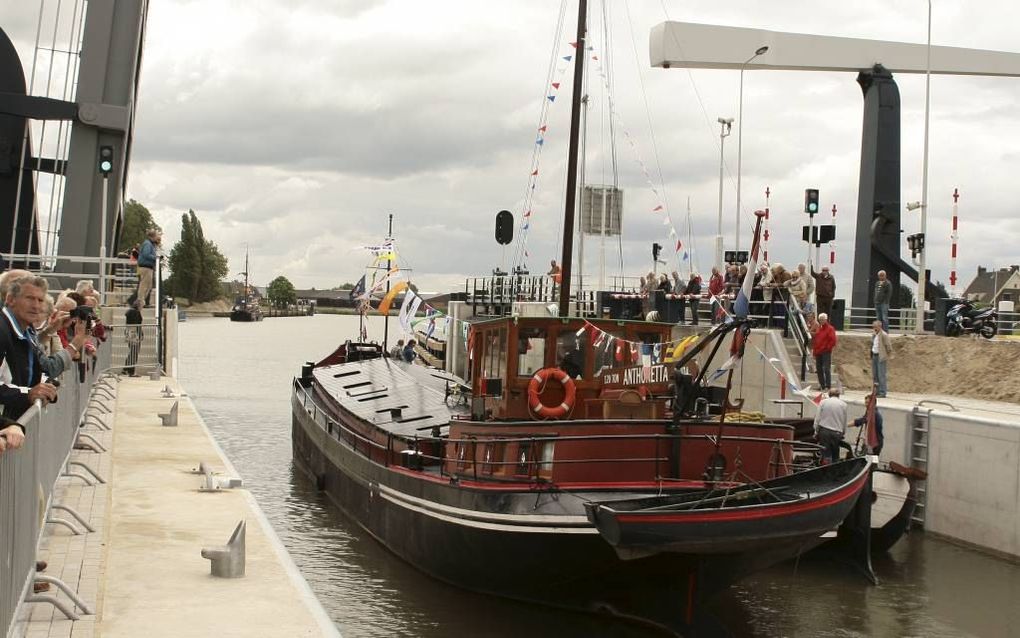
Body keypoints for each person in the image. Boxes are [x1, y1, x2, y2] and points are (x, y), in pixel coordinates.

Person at [0, 275, 62, 420]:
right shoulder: (2, 331)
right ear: (10, 299)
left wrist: (45, 384)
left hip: (14, 425)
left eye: (40, 300)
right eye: (29, 298)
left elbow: (30, 370)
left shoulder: (28, 331)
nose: (36, 306)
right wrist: (28, 394)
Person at [814, 387, 848, 464]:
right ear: (839, 395)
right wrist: (843, 432)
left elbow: (818, 418)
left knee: (825, 453)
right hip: (837, 432)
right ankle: (835, 468)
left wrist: (816, 431)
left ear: (829, 394)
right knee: (835, 453)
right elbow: (844, 420)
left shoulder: (823, 402)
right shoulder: (844, 405)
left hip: (824, 431)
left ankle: (825, 469)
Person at [136, 228, 161, 307]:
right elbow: (146, 254)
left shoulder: (150, 244)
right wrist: (156, 258)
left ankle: (143, 301)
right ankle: (140, 302)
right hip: (145, 267)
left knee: (148, 285)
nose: (157, 237)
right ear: (153, 236)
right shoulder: (148, 244)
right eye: (156, 235)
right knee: (144, 285)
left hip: (148, 268)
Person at [812, 313, 837, 390]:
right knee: (819, 369)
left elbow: (833, 340)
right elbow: (816, 340)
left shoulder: (830, 328)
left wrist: (827, 348)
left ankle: (827, 386)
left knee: (826, 369)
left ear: (826, 320)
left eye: (823, 319)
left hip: (826, 351)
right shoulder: (819, 328)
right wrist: (814, 351)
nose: (821, 321)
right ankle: (822, 385)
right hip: (818, 351)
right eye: (820, 319)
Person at [870, 320, 893, 397]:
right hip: (874, 355)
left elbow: (888, 346)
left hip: (881, 356)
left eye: (875, 327)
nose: (874, 328)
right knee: (875, 375)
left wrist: (888, 355)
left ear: (880, 326)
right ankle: (876, 391)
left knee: (881, 375)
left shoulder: (884, 335)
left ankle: (882, 392)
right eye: (873, 327)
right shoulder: (874, 335)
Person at [124, 300, 143, 376]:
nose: (142, 308)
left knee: (132, 351)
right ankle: (131, 371)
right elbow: (137, 324)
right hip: (134, 333)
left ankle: (126, 368)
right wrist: (140, 334)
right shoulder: (136, 312)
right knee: (134, 352)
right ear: (139, 306)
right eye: (142, 306)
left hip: (129, 331)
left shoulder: (129, 311)